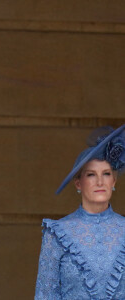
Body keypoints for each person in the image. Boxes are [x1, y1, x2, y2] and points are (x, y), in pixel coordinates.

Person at [35, 125, 125, 300]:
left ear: (113, 181)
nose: (100, 181)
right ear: (78, 183)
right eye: (91, 175)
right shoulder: (57, 233)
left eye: (106, 174)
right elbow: (45, 296)